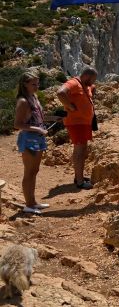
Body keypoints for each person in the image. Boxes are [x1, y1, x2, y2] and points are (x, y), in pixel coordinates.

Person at [14, 71, 61, 214]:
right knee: (29, 172)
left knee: (34, 171)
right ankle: (28, 204)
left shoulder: (34, 97)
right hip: (29, 139)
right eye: (33, 84)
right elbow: (17, 124)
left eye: (37, 83)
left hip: (38, 138)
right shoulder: (23, 101)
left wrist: (54, 118)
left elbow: (38, 117)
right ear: (25, 84)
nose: (37, 86)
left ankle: (33, 202)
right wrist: (38, 129)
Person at [56, 66, 98, 189]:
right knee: (80, 151)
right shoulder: (74, 83)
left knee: (81, 149)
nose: (93, 83)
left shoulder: (86, 85)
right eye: (92, 80)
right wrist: (69, 106)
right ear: (86, 76)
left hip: (84, 123)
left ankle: (78, 176)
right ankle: (79, 182)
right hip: (76, 122)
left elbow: (91, 89)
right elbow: (60, 92)